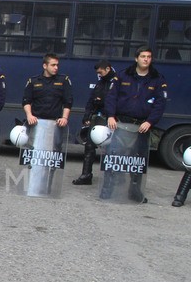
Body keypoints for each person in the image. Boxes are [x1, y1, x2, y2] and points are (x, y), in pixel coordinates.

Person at [103, 47, 167, 203]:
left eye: (149, 57)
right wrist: (110, 116)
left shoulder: (157, 79)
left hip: (141, 126)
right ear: (136, 58)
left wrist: (150, 121)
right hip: (121, 124)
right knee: (114, 158)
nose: (146, 59)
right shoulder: (123, 75)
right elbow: (111, 97)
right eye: (143, 56)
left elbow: (160, 104)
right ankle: (107, 190)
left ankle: (135, 191)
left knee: (138, 161)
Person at [71, 60, 117, 186]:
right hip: (98, 117)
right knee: (89, 146)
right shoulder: (101, 83)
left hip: (112, 119)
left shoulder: (117, 82)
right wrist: (87, 116)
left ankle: (112, 178)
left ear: (107, 69)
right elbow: (91, 100)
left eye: (100, 72)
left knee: (112, 149)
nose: (99, 74)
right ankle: (86, 175)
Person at [22, 54, 72, 126]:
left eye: (57, 65)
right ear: (45, 66)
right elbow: (26, 101)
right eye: (53, 65)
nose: (56, 67)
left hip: (56, 123)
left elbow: (68, 102)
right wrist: (29, 116)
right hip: (36, 122)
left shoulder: (63, 80)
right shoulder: (33, 81)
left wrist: (64, 118)